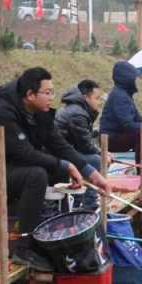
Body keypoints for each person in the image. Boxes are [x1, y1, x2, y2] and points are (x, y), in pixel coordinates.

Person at [0, 67, 111, 272]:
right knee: (37, 175)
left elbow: (58, 144)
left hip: (0, 171)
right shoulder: (3, 112)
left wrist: (91, 174)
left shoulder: (34, 110)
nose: (52, 97)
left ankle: (32, 221)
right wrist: (65, 165)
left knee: (54, 170)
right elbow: (25, 153)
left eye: (53, 91)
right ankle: (24, 246)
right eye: (47, 92)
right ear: (30, 95)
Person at [55, 80, 104, 211]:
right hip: (58, 154)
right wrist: (102, 153)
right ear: (86, 98)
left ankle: (79, 198)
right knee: (96, 160)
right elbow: (85, 145)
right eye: (97, 98)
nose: (99, 102)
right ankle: (88, 203)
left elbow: (83, 138)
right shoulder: (78, 114)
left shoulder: (75, 109)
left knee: (93, 157)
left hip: (64, 151)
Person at [100, 61, 142, 163]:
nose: (135, 80)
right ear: (127, 78)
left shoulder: (125, 94)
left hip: (118, 135)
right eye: (134, 77)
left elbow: (138, 119)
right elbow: (128, 125)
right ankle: (140, 169)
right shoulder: (119, 96)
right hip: (110, 140)